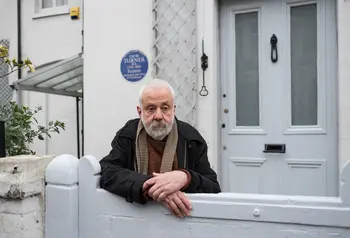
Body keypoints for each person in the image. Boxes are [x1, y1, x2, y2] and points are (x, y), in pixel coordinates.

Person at [99, 79, 221, 218]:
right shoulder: (127, 135)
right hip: (136, 219)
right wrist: (147, 185)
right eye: (151, 109)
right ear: (140, 112)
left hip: (181, 222)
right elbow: (108, 171)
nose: (158, 116)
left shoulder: (191, 139)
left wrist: (186, 178)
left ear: (173, 109)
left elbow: (213, 187)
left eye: (165, 108)